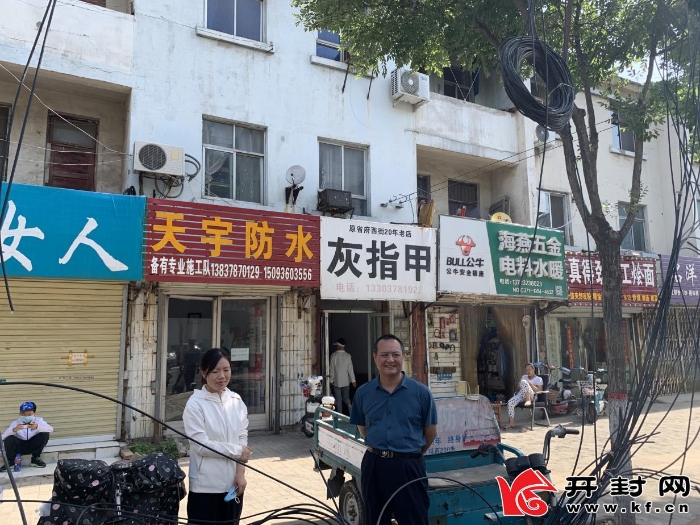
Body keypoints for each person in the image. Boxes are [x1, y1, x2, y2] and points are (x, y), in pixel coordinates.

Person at [349, 334, 438, 525]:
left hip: (409, 466)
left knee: (414, 519)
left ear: (403, 357)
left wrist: (407, 453)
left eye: (395, 355)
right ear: (375, 357)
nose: (390, 360)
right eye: (384, 355)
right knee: (375, 519)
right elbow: (363, 429)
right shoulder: (363, 393)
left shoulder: (421, 393)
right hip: (374, 465)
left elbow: (430, 433)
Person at [183, 348, 252, 525]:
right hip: (205, 487)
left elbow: (242, 436)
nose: (222, 376)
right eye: (215, 371)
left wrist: (240, 473)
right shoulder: (195, 404)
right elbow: (201, 445)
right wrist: (238, 451)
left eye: (226, 370)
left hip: (233, 486)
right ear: (203, 373)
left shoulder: (236, 400)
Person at [1, 401, 53, 471]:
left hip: (33, 445)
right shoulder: (15, 423)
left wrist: (37, 427)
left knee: (45, 434)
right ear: (20, 414)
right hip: (19, 447)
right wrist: (14, 430)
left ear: (34, 413)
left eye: (29, 414)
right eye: (24, 414)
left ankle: (35, 459)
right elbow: (3, 437)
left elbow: (50, 429)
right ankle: (11, 462)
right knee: (9, 438)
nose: (26, 416)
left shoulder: (39, 421)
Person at [505, 363, 544, 430]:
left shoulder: (538, 379)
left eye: (529, 369)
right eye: (526, 370)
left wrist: (531, 385)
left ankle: (528, 400)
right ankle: (511, 423)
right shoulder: (524, 377)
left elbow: (539, 391)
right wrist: (521, 383)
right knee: (510, 402)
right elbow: (519, 386)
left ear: (533, 369)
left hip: (532, 396)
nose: (528, 371)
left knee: (524, 382)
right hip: (522, 394)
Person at [329, 338, 356, 414]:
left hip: (336, 382)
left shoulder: (333, 356)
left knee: (338, 399)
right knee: (346, 397)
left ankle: (339, 416)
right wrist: (353, 381)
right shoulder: (348, 356)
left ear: (338, 346)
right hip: (346, 381)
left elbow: (331, 370)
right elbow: (350, 369)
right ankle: (350, 409)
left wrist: (330, 380)